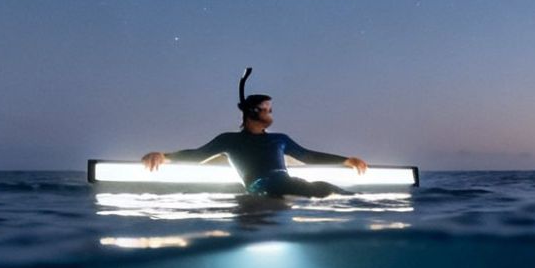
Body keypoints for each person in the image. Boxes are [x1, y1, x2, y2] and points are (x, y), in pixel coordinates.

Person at [141, 70, 369, 197]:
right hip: (261, 187)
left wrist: (347, 160)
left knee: (325, 188)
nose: (271, 114)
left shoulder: (280, 139)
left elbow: (308, 156)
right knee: (319, 189)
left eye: (271, 109)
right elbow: (197, 155)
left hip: (287, 183)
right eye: (266, 110)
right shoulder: (229, 140)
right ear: (252, 112)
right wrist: (163, 155)